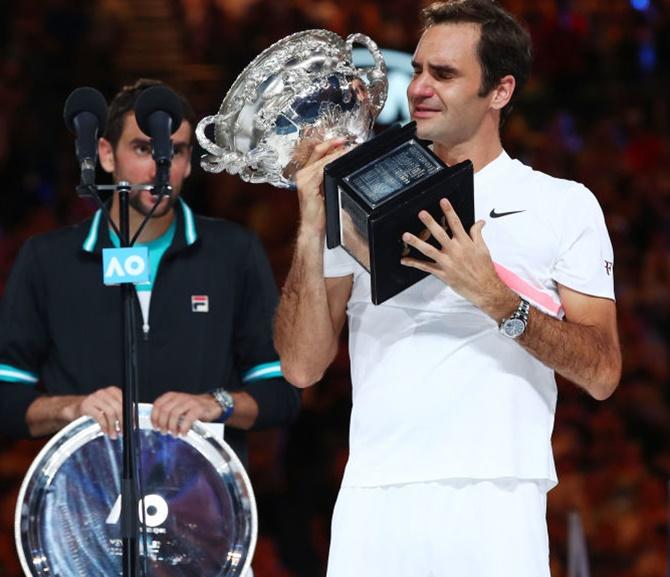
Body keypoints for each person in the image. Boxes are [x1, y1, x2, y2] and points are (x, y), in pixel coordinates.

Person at [274, 1, 621, 576]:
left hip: (496, 498)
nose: (420, 88)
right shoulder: (359, 199)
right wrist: (311, 226)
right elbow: (301, 368)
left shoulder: (562, 205)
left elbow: (603, 372)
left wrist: (496, 297)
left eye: (446, 74)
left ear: (500, 91)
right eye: (420, 69)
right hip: (374, 496)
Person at [0, 78, 300, 465]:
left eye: (174, 151)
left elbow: (281, 391)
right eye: (144, 148)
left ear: (189, 162)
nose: (161, 166)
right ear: (106, 155)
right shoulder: (47, 259)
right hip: (83, 502)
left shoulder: (233, 252)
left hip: (201, 505)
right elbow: (7, 391)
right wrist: (71, 409)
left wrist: (216, 404)